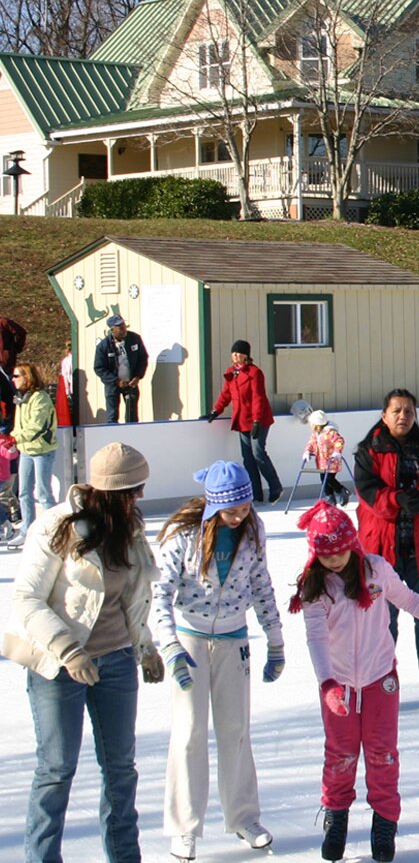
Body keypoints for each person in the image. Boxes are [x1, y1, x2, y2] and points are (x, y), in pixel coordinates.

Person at [3, 442, 164, 863]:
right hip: (57, 667)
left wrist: (144, 647)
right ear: (112, 492)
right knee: (56, 770)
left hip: (116, 662)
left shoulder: (127, 527)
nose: (141, 498)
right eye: (134, 490)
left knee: (120, 771)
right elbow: (25, 599)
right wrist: (68, 650)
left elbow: (133, 597)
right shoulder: (56, 527)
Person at [291, 500, 419, 863]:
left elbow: (409, 600)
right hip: (338, 686)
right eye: (326, 555)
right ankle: (336, 819)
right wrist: (327, 684)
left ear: (352, 544)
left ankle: (384, 823)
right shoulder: (315, 587)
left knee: (383, 755)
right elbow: (317, 638)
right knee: (340, 755)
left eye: (340, 551)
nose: (335, 560)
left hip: (380, 679)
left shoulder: (376, 570)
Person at [153, 461, 283, 860]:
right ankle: (183, 827)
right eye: (231, 510)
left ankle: (244, 816)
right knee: (190, 732)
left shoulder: (253, 530)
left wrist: (275, 641)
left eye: (244, 506)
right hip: (190, 641)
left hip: (233, 639)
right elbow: (158, 596)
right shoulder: (182, 536)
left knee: (235, 730)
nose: (240, 515)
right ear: (212, 506)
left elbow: (261, 585)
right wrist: (170, 648)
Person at [354, 389, 419, 701]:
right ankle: (379, 678)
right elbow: (367, 491)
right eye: (397, 411)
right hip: (381, 552)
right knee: (383, 620)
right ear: (385, 415)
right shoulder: (368, 450)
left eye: (409, 412)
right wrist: (398, 499)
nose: (403, 416)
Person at [204, 341, 282, 505]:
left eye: (239, 353)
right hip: (241, 419)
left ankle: (275, 487)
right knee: (248, 458)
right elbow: (226, 394)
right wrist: (216, 410)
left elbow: (257, 398)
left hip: (258, 419)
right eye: (233, 353)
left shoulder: (255, 373)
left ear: (246, 355)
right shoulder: (232, 372)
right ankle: (255, 492)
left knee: (258, 454)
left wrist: (256, 421)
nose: (235, 356)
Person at [13, 361, 58, 546]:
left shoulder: (40, 397)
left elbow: (37, 425)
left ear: (27, 377)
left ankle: (54, 531)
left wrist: (15, 438)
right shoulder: (21, 398)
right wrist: (15, 438)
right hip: (26, 451)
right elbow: (19, 425)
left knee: (43, 492)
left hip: (42, 451)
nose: (13, 379)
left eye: (17, 376)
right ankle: (27, 529)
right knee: (24, 492)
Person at [93, 315, 148, 425]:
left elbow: (143, 358)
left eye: (124, 326)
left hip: (131, 383)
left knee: (132, 416)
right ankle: (114, 438)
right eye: (120, 328)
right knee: (112, 416)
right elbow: (99, 368)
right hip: (113, 385)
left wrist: (138, 376)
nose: (124, 329)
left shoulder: (135, 339)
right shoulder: (104, 346)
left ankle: (132, 437)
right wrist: (116, 381)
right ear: (112, 330)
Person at [305, 410, 350, 506]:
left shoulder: (330, 432)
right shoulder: (315, 434)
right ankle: (330, 498)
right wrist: (307, 451)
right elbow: (311, 443)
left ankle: (342, 491)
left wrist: (337, 452)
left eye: (312, 424)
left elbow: (339, 441)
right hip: (321, 462)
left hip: (331, 461)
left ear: (316, 424)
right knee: (323, 480)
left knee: (328, 479)